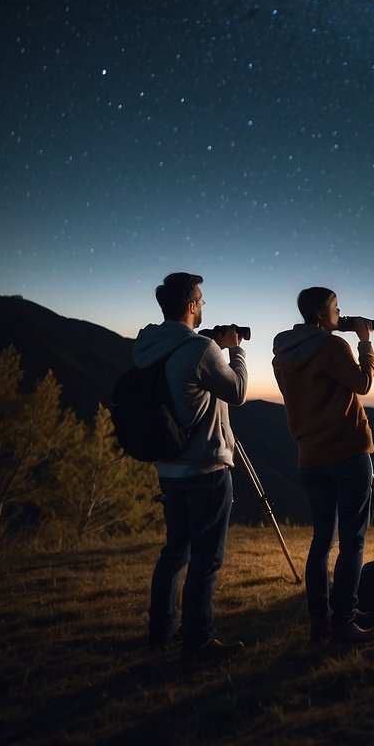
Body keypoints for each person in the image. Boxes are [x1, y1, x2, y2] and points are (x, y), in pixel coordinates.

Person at [135, 272, 247, 659]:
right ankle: (199, 639)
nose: (204, 305)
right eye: (201, 299)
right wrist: (234, 350)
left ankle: (161, 628)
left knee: (174, 551)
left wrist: (209, 346)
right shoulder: (200, 349)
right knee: (206, 557)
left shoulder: (149, 345)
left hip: (168, 466)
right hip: (205, 467)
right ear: (190, 305)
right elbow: (237, 391)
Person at [272, 287, 374, 646]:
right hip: (348, 453)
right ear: (322, 315)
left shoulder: (283, 354)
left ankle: (321, 622)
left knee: (322, 541)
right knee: (352, 541)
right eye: (337, 309)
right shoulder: (334, 346)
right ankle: (345, 622)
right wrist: (365, 342)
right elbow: (362, 384)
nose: (342, 314)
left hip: (310, 456)